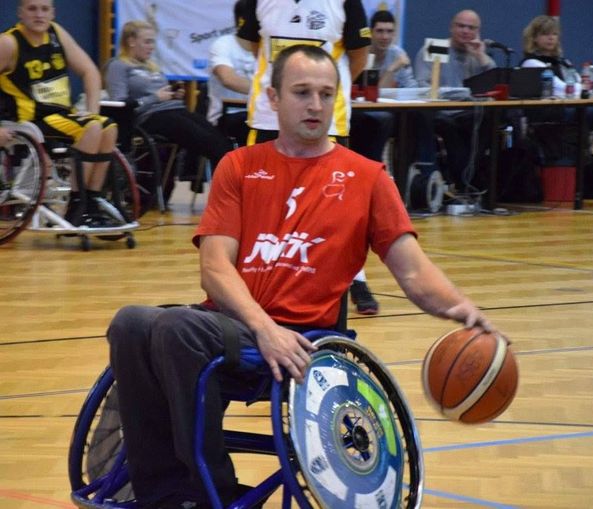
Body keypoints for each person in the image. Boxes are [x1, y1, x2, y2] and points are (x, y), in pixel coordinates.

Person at [108, 45, 493, 509]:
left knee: (177, 328)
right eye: (302, 92)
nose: (315, 104)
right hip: (238, 326)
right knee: (130, 323)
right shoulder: (240, 166)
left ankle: (207, 497)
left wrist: (462, 308)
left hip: (306, 339)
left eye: (326, 94)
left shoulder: (367, 177)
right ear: (273, 97)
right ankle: (163, 492)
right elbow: (214, 268)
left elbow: (412, 270)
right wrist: (263, 328)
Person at [237, 0, 380, 315]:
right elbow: (250, 42)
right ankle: (258, 280)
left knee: (333, 209)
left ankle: (356, 278)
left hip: (326, 120)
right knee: (261, 206)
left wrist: (321, 92)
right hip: (266, 117)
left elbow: (358, 56)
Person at [0, 0, 122, 227]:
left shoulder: (56, 33)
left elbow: (90, 71)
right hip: (31, 121)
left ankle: (92, 200)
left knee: (108, 126)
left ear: (53, 13)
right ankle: (78, 205)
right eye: (32, 8)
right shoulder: (8, 43)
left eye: (45, 9)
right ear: (20, 12)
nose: (39, 14)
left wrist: (92, 112)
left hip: (62, 116)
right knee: (93, 126)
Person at [105, 20, 234, 193]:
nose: (152, 47)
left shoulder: (151, 66)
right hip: (148, 117)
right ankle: (229, 191)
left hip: (172, 110)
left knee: (218, 138)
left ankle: (230, 185)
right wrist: (155, 98)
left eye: (153, 41)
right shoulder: (118, 66)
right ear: (131, 41)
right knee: (208, 143)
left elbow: (160, 94)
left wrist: (173, 94)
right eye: (147, 41)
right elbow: (120, 105)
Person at [520, 15, 593, 198]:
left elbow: (577, 85)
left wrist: (586, 89)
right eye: (545, 34)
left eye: (554, 34)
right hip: (553, 113)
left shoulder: (564, 62)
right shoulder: (531, 63)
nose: (551, 38)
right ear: (534, 38)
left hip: (575, 106)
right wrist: (582, 89)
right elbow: (563, 88)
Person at [414, 9, 496, 192]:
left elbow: (495, 84)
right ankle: (464, 181)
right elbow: (422, 86)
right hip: (442, 112)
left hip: (470, 112)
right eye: (461, 26)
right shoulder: (436, 47)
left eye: (471, 28)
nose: (466, 31)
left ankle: (471, 179)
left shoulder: (476, 55)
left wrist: (481, 56)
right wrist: (457, 94)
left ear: (478, 32)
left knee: (491, 118)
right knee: (450, 126)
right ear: (451, 27)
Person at [349, 9, 416, 163]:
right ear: (371, 32)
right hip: (359, 111)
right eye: (380, 31)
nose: (385, 37)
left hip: (387, 111)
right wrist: (392, 69)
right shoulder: (361, 54)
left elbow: (411, 88)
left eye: (389, 32)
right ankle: (373, 164)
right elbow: (373, 93)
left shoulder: (398, 54)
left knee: (413, 118)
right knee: (383, 119)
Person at [206, 0, 255, 147]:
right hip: (228, 115)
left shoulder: (266, 49)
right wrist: (266, 90)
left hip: (259, 113)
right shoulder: (223, 44)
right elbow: (228, 79)